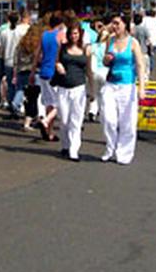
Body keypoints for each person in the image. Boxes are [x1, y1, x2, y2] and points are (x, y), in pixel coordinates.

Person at [100, 13, 146, 165]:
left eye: (117, 23)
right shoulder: (110, 41)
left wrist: (141, 87)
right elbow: (106, 61)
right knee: (108, 118)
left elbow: (140, 65)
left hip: (127, 84)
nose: (114, 26)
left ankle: (124, 153)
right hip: (111, 83)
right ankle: (109, 148)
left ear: (125, 25)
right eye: (113, 23)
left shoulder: (133, 43)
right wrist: (106, 60)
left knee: (127, 121)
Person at [54, 21, 91, 161]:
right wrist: (58, 66)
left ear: (80, 34)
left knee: (76, 121)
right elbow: (56, 61)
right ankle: (65, 145)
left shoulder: (85, 49)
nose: (73, 36)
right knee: (64, 120)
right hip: (63, 88)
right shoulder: (62, 48)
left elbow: (89, 70)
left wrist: (92, 90)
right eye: (71, 33)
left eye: (76, 33)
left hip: (79, 87)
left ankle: (74, 150)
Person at [33, 13, 63, 141]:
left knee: (48, 103)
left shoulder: (44, 35)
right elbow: (61, 54)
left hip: (43, 72)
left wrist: (32, 70)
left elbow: (37, 54)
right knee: (60, 103)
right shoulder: (60, 36)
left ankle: (48, 132)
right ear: (60, 24)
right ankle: (46, 121)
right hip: (54, 72)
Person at [14, 22, 43, 131]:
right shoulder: (37, 44)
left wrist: (16, 71)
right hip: (33, 72)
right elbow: (38, 58)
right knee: (34, 97)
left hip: (21, 71)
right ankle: (30, 117)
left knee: (24, 92)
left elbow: (15, 57)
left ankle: (30, 117)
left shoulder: (21, 43)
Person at [0, 12, 20, 116]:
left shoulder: (4, 32)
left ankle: (11, 105)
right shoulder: (21, 32)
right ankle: (16, 105)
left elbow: (0, 48)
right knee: (19, 85)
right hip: (18, 62)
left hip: (7, 61)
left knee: (10, 85)